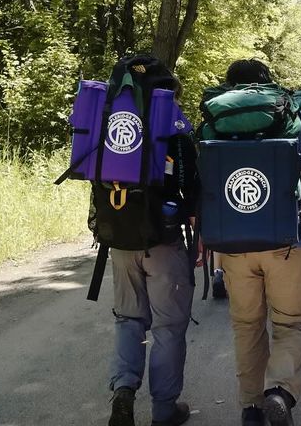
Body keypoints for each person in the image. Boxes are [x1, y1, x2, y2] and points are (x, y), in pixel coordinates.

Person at [213, 59, 301, 426]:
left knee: (247, 326)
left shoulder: (214, 119)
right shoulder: (295, 116)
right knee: (290, 324)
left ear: (229, 87)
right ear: (268, 83)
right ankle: (278, 391)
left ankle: (251, 410)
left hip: (233, 244)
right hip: (286, 242)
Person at [108, 80, 200, 426]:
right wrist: (199, 238)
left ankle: (123, 389)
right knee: (168, 327)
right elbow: (191, 190)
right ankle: (163, 410)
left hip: (120, 241)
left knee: (128, 319)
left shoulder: (112, 126)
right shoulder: (176, 130)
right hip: (163, 242)